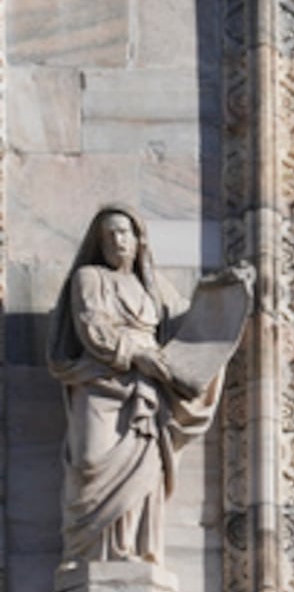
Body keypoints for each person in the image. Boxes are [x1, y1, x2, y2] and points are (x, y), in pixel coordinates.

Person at [48, 205, 224, 565]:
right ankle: (89, 556)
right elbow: (91, 327)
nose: (117, 240)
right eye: (109, 235)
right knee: (89, 460)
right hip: (100, 382)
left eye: (124, 232)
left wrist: (226, 296)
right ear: (99, 242)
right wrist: (133, 353)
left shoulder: (154, 287)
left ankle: (131, 550)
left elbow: (185, 327)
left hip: (147, 388)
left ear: (138, 238)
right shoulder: (89, 277)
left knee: (145, 469)